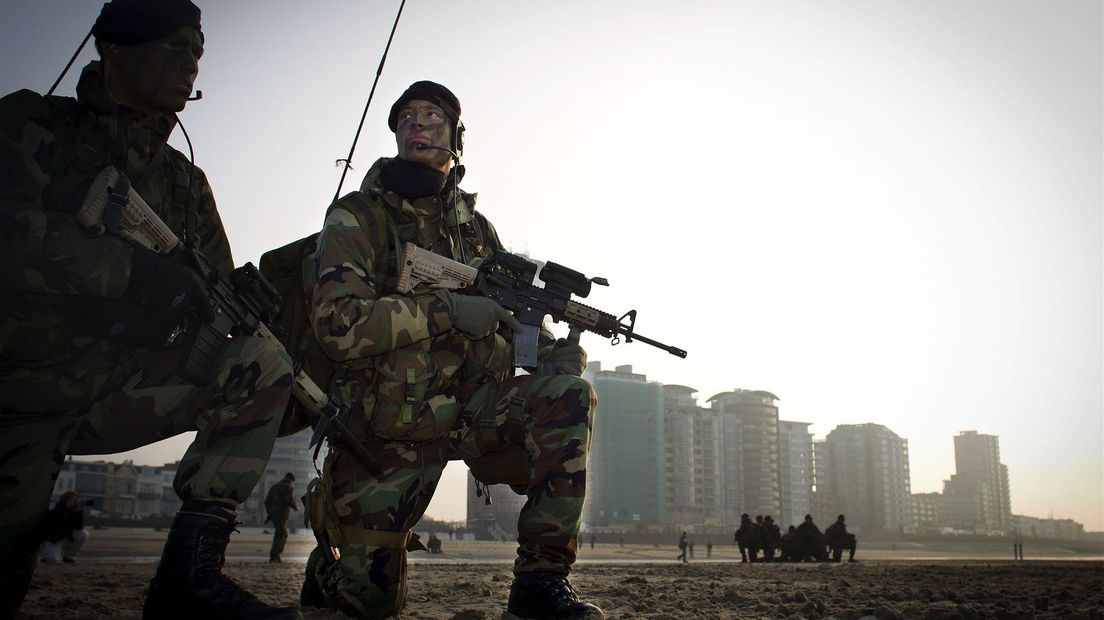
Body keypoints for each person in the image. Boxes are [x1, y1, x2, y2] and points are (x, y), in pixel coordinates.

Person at [0, 2, 297, 618]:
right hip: (17, 389)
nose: (190, 61)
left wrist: (230, 308)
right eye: (174, 46)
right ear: (113, 47)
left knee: (261, 361)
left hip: (115, 386)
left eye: (198, 51)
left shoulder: (186, 184)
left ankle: (189, 579)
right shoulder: (32, 125)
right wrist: (130, 271)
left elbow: (212, 291)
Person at [298, 81, 601, 620]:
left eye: (432, 116)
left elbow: (508, 316)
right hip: (384, 423)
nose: (417, 124)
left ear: (455, 135)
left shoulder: (476, 231)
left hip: (467, 409)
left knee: (568, 395)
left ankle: (540, 583)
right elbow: (337, 326)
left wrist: (552, 352)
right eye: (406, 117)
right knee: (363, 601)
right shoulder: (358, 217)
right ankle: (331, 566)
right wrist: (449, 310)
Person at [39, 492, 89, 564]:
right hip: (52, 538)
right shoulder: (56, 507)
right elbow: (53, 522)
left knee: (83, 533)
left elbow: (79, 527)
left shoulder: (74, 510)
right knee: (50, 560)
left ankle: (68, 556)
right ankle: (47, 554)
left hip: (64, 537)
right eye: (73, 500)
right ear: (65, 499)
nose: (74, 502)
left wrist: (79, 512)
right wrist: (65, 507)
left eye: (76, 500)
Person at [265, 473, 300, 563]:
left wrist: (270, 513)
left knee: (279, 533)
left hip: (274, 514)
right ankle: (275, 555)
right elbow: (289, 500)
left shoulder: (274, 487)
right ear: (291, 480)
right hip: (282, 514)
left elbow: (266, 501)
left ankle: (274, 555)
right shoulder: (288, 488)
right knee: (282, 533)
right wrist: (296, 507)